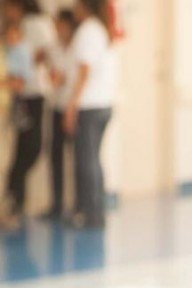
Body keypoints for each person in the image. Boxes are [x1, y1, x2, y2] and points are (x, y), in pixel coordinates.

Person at [2, 0, 54, 225]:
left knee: (30, 148)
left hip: (32, 95)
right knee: (21, 148)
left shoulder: (34, 25)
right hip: (20, 98)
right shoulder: (14, 39)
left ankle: (14, 194)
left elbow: (43, 54)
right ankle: (14, 199)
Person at [64, 0, 114, 229]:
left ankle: (91, 213)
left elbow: (85, 71)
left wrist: (72, 105)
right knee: (93, 159)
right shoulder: (100, 29)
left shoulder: (87, 31)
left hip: (90, 105)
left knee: (87, 161)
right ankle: (95, 210)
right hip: (103, 103)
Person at [46, 8, 77, 221]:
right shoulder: (53, 48)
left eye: (60, 24)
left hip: (72, 109)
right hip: (56, 107)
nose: (57, 29)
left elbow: (73, 78)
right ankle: (56, 205)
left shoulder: (78, 47)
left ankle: (76, 205)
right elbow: (54, 76)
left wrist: (62, 78)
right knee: (55, 156)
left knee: (77, 158)